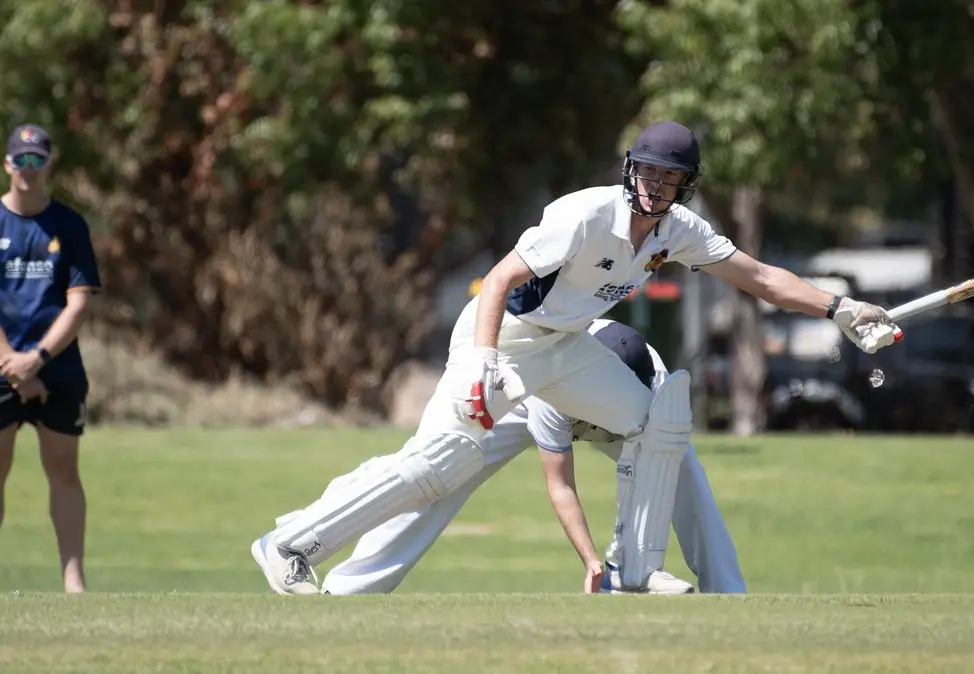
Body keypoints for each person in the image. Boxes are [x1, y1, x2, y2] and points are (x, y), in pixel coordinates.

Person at [251, 120, 898, 595]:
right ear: (630, 170)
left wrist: (838, 309)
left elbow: (757, 277)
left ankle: (635, 572)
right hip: (501, 343)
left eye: (669, 176)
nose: (655, 184)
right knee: (438, 464)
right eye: (647, 171)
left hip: (567, 350)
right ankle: (290, 544)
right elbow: (498, 279)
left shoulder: (680, 232)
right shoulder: (583, 215)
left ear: (685, 184)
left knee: (656, 427)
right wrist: (479, 361)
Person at [307, 319, 745, 596]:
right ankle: (352, 587)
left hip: (611, 401)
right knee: (445, 468)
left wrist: (621, 566)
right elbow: (561, 484)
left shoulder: (655, 384)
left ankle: (726, 593)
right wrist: (590, 558)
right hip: (522, 389)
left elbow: (643, 478)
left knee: (682, 467)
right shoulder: (559, 387)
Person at [0, 124, 101, 593]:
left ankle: (73, 580)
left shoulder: (69, 225)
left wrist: (35, 360)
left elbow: (78, 302)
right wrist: (12, 364)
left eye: (37, 159)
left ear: (49, 164)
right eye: (21, 160)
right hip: (1, 366)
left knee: (63, 471)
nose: (29, 169)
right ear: (7, 164)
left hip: (57, 366)